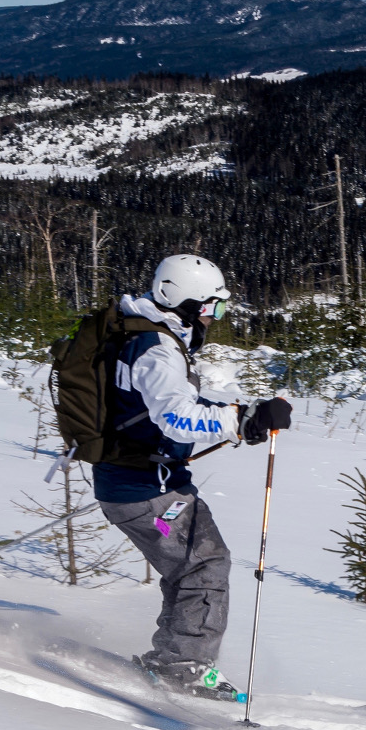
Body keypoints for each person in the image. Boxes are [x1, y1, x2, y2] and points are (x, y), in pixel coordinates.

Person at [95, 254, 292, 700]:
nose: (214, 317)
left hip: (144, 483)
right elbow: (177, 418)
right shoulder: (156, 349)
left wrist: (244, 418)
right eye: (211, 307)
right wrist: (240, 419)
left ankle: (172, 659)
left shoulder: (143, 333)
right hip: (147, 492)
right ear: (181, 301)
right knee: (204, 564)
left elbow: (170, 408)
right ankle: (182, 667)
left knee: (191, 567)